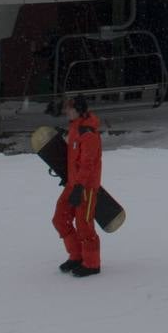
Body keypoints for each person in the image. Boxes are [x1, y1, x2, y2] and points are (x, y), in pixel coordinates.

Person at [52, 94, 104, 277]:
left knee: (84, 225)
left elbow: (88, 164)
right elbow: (74, 158)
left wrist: (80, 187)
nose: (66, 111)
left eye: (70, 108)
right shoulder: (75, 128)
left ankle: (92, 264)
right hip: (73, 184)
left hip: (86, 188)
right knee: (60, 218)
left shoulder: (88, 133)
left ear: (79, 111)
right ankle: (76, 256)